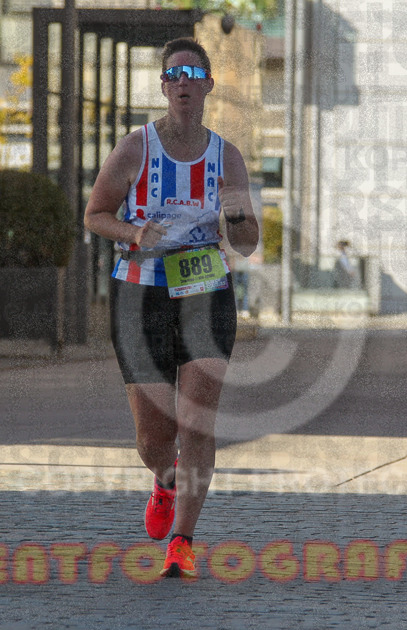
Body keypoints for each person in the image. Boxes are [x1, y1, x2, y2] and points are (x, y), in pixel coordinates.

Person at [84, 38, 259, 578]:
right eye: (174, 75)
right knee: (153, 437)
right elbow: (95, 215)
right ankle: (165, 480)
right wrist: (134, 233)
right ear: (164, 86)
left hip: (205, 288)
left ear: (208, 86)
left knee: (197, 424)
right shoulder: (135, 148)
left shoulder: (226, 156)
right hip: (141, 293)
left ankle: (182, 541)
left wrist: (236, 215)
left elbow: (247, 243)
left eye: (194, 75)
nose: (184, 83)